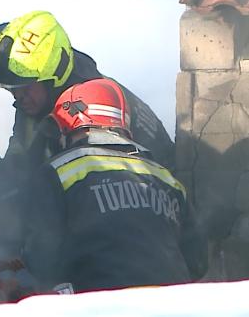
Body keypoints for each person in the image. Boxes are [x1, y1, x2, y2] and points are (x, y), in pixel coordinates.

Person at [21, 78, 207, 292]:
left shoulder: (57, 172)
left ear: (67, 127)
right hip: (170, 306)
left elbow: (42, 255)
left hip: (101, 305)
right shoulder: (169, 181)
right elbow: (198, 262)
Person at [0, 10, 174, 177]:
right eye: (12, 89)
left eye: (25, 88)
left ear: (54, 77)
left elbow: (98, 194)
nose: (18, 96)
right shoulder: (37, 99)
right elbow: (22, 151)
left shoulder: (92, 115)